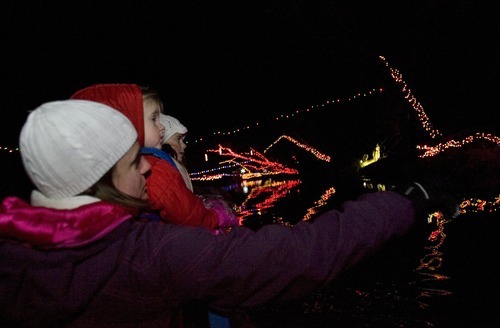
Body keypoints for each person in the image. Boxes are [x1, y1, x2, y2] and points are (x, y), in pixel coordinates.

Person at [0, 100, 458, 328]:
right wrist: (400, 203)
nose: (146, 164)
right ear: (97, 177)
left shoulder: (12, 254)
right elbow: (297, 258)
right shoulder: (151, 255)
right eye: (130, 161)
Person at [70, 84, 238, 231]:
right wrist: (217, 217)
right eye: (153, 119)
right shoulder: (156, 168)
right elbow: (190, 216)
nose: (162, 127)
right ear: (130, 122)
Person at [159, 113, 192, 191]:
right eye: (178, 139)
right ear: (164, 140)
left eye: (182, 140)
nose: (184, 145)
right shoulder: (165, 170)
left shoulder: (176, 167)